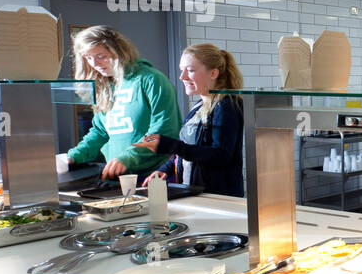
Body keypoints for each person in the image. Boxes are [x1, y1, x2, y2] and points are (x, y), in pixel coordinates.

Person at [58, 25, 181, 180]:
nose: (94, 63)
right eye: (88, 57)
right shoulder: (104, 87)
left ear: (119, 51)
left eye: (101, 56)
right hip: (118, 177)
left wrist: (128, 158)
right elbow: (100, 132)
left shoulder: (151, 79)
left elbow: (165, 130)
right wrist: (73, 157)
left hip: (153, 176)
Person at [136, 44, 245, 197]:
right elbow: (188, 150)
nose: (182, 77)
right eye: (182, 70)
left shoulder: (226, 105)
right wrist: (164, 169)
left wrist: (171, 145)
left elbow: (221, 155)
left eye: (191, 70)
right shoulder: (200, 105)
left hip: (217, 197)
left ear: (213, 73)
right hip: (195, 192)